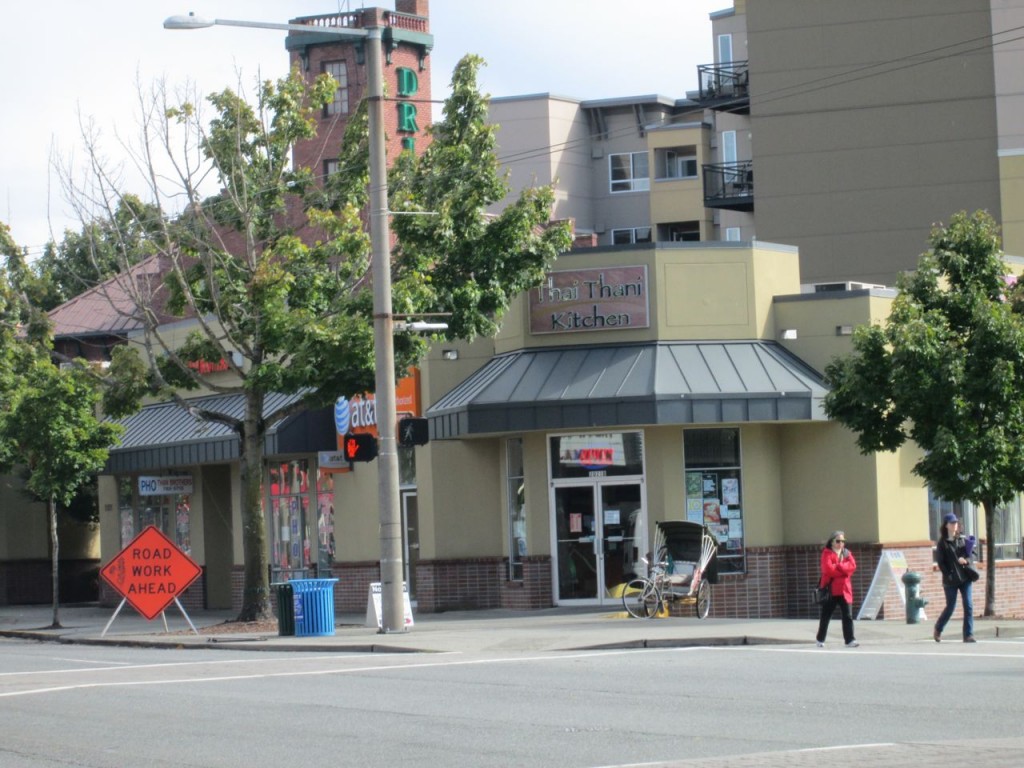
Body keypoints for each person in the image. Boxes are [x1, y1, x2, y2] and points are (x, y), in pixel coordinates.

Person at [933, 512, 975, 643]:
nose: (954, 525)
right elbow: (941, 562)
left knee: (968, 605)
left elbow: (970, 555)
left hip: (964, 577)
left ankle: (968, 635)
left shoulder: (961, 539)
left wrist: (966, 560)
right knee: (950, 607)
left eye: (956, 522)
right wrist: (948, 575)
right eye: (952, 523)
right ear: (946, 525)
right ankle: (938, 628)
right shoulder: (942, 543)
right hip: (951, 579)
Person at [815, 530, 859, 647]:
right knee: (826, 616)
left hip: (845, 590)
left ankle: (849, 640)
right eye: (838, 541)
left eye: (843, 541)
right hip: (831, 591)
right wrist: (844, 570)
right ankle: (820, 639)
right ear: (832, 542)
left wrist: (838, 566)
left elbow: (853, 566)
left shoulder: (846, 553)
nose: (841, 543)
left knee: (848, 616)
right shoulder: (827, 553)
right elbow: (828, 570)